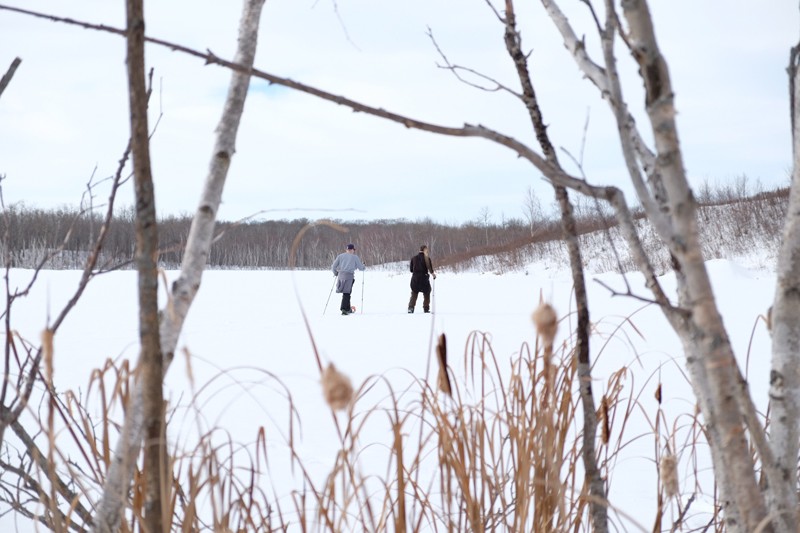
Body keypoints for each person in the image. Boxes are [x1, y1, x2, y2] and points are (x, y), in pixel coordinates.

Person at [331, 243, 366, 315]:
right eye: (353, 250)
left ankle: (348, 308)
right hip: (349, 276)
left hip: (341, 276)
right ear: (352, 250)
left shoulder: (340, 256)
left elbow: (333, 267)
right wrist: (363, 266)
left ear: (346, 250)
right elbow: (361, 268)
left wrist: (336, 273)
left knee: (346, 293)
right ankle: (344, 309)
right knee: (347, 293)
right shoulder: (355, 257)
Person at [408, 244, 436, 313]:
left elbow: (411, 270)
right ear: (424, 250)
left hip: (415, 279)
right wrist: (433, 275)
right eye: (427, 250)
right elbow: (430, 269)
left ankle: (411, 308)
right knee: (427, 292)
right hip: (424, 279)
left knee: (414, 293)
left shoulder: (413, 258)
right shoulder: (427, 258)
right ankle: (426, 308)